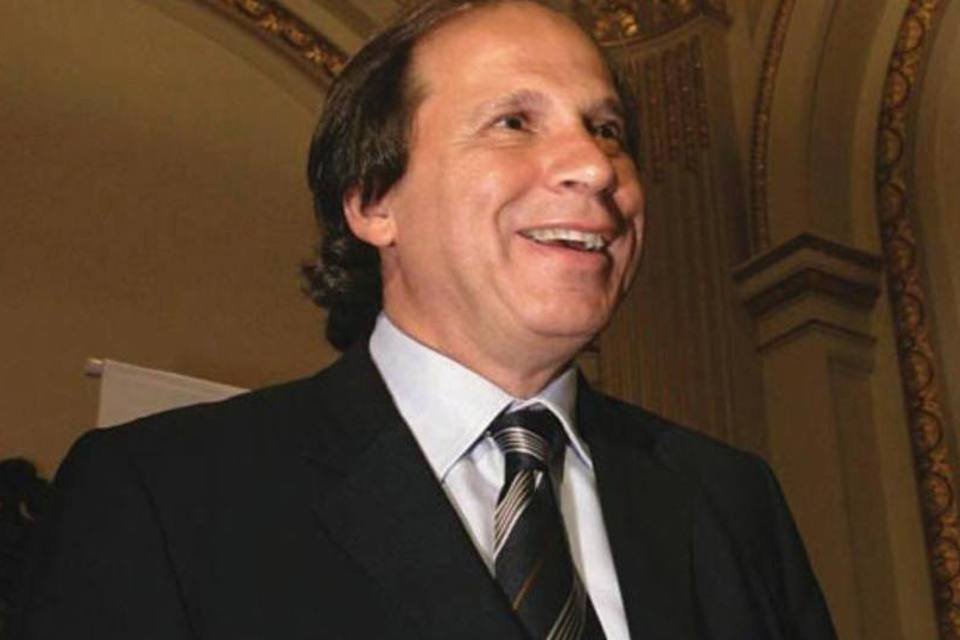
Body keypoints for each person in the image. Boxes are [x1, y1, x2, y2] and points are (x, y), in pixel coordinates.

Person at [14, 1, 836, 638]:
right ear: (375, 201)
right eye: (514, 122)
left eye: (607, 129)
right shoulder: (164, 495)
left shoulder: (730, 499)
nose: (595, 165)